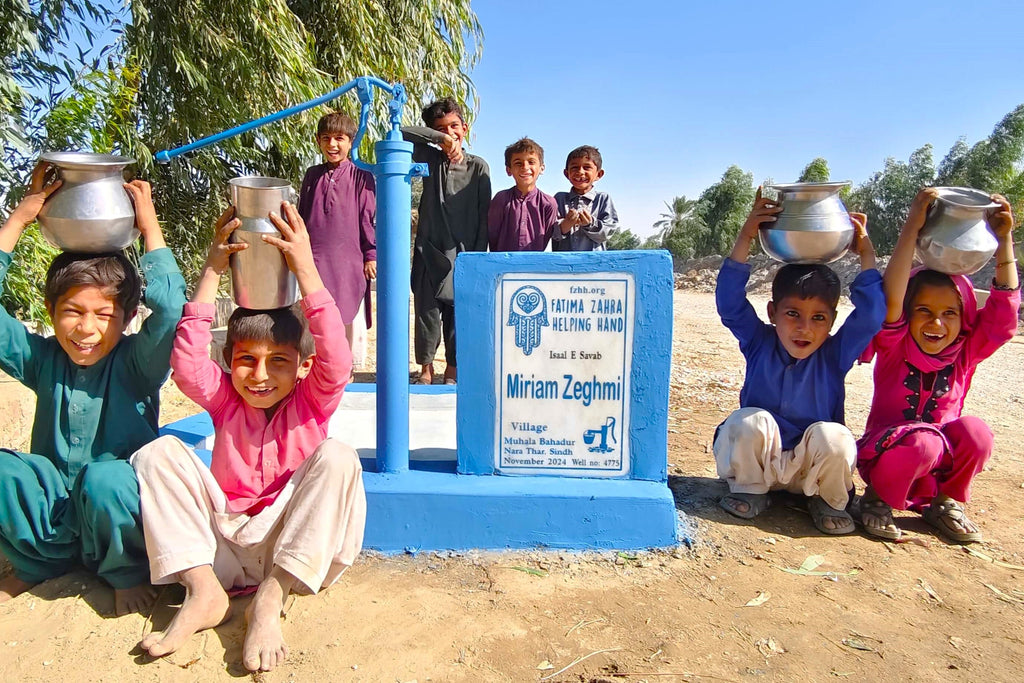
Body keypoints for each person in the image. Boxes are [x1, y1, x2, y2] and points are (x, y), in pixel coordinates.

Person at [131, 202, 366, 672]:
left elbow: (337, 361)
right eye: (246, 360)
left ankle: (269, 600)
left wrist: (305, 268)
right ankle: (202, 591)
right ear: (228, 361)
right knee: (157, 454)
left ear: (302, 367)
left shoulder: (311, 401)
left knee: (339, 457)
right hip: (222, 547)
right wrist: (212, 270)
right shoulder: (224, 400)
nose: (259, 375)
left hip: (291, 551)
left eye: (277, 361)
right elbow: (187, 365)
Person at [0, 165, 186, 615]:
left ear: (126, 318)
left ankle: (124, 572)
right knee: (6, 470)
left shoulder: (137, 363)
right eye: (72, 312)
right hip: (58, 518)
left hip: (115, 514)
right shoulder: (41, 359)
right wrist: (20, 220)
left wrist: (148, 225)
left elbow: (171, 305)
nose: (86, 329)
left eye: (104, 315)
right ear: (50, 310)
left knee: (106, 478)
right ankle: (38, 560)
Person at [713, 188, 885, 534]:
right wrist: (747, 235)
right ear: (773, 313)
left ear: (833, 321)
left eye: (818, 318)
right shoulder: (759, 341)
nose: (804, 328)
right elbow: (730, 302)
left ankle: (827, 500)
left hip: (811, 470)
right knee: (748, 422)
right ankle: (750, 489)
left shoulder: (834, 355)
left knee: (834, 436)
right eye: (793, 314)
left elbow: (871, 316)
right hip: (763, 466)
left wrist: (866, 253)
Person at [854, 189, 1018, 543]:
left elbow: (1004, 316)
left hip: (936, 459)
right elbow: (893, 296)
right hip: (888, 455)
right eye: (924, 312)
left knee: (977, 433)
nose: (937, 324)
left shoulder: (966, 352)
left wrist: (1004, 239)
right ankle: (876, 500)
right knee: (924, 442)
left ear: (965, 319)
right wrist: (912, 228)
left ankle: (942, 504)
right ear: (908, 315)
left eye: (949, 314)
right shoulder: (895, 345)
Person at [402, 98, 491, 385]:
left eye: (454, 126)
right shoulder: (428, 159)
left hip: (464, 255)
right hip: (429, 250)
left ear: (464, 128)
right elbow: (401, 133)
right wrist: (439, 140)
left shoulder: (478, 167)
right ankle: (425, 370)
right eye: (440, 128)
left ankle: (452, 372)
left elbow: (483, 216)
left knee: (458, 319)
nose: (449, 132)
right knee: (426, 314)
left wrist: (476, 259)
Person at [297, 111, 376, 369]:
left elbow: (368, 218)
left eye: (339, 138)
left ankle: (345, 370)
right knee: (314, 313)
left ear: (351, 141)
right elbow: (302, 215)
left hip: (349, 260)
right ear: (318, 141)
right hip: (315, 258)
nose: (333, 145)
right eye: (326, 138)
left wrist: (370, 255)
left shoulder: (361, 176)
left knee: (346, 315)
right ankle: (316, 369)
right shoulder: (312, 175)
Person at [488, 137, 563, 252]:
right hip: (503, 264)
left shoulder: (548, 203)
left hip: (533, 266)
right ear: (509, 170)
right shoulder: (501, 199)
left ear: (541, 168)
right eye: (518, 163)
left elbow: (547, 237)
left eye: (531, 162)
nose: (525, 167)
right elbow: (493, 235)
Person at [552, 145, 619, 251]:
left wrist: (590, 224)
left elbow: (608, 232)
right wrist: (566, 224)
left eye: (587, 167)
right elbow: (549, 231)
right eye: (574, 167)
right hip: (563, 264)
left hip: (594, 264)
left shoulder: (602, 199)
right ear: (566, 173)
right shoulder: (559, 199)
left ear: (599, 174)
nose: (580, 172)